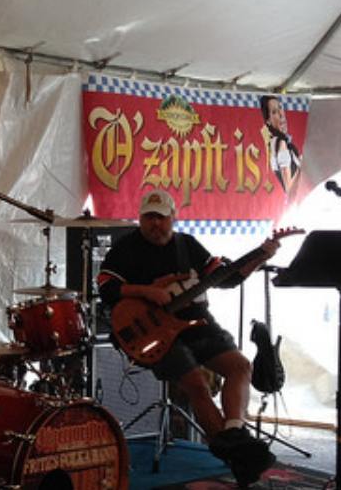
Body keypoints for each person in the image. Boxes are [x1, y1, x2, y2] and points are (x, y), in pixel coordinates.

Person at [96, 189, 278, 486]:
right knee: (196, 383)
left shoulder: (187, 245)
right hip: (155, 332)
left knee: (240, 366)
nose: (154, 223)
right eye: (148, 217)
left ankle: (232, 433)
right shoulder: (126, 247)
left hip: (196, 322)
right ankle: (236, 455)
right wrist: (147, 291)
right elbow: (106, 286)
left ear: (173, 218)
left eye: (161, 217)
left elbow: (226, 278)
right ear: (140, 218)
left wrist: (261, 256)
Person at [260, 95, 301, 195]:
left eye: (280, 108)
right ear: (268, 121)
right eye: (274, 112)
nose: (281, 114)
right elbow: (289, 188)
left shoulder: (282, 143)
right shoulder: (280, 143)